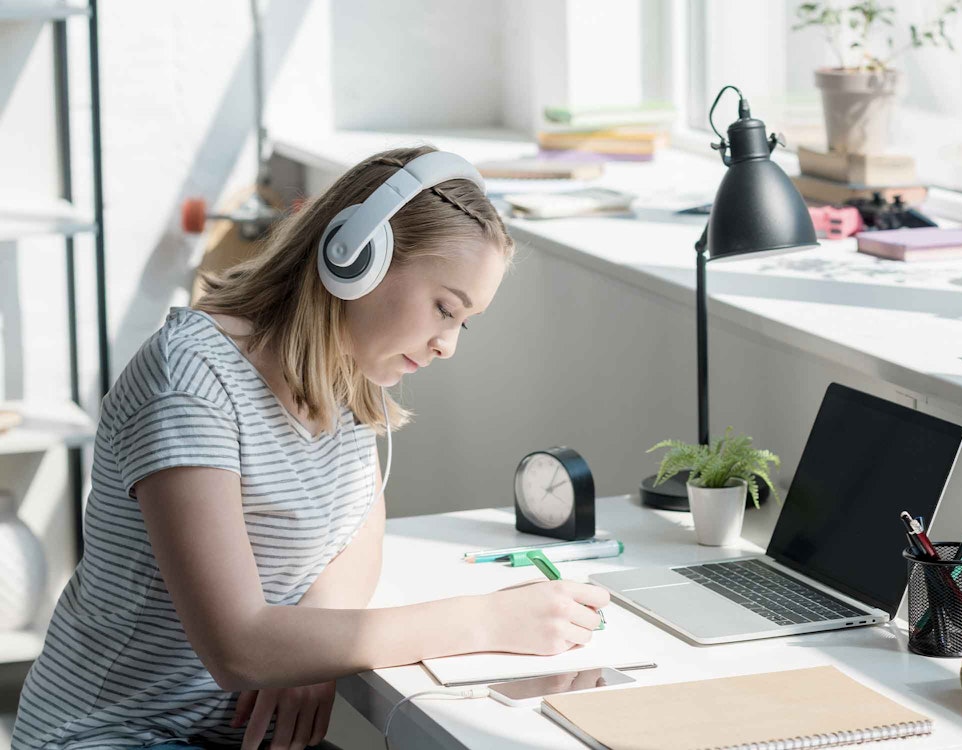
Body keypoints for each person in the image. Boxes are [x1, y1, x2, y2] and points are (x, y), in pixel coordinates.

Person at [12, 146, 610, 750]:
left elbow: (358, 535)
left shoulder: (347, 372)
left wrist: (311, 643)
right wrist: (487, 621)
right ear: (357, 259)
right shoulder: (189, 384)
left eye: (463, 321)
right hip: (111, 736)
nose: (447, 345)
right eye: (444, 308)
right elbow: (240, 649)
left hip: (238, 737)